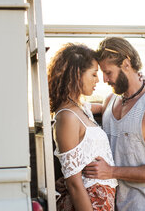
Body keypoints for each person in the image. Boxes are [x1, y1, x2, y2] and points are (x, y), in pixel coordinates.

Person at [83, 37, 145, 211]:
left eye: (108, 72)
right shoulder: (110, 101)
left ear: (126, 63)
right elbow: (94, 111)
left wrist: (111, 172)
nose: (104, 79)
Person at [47, 43, 118, 211]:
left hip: (101, 202)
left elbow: (105, 107)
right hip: (88, 203)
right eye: (93, 74)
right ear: (77, 75)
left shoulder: (81, 109)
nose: (98, 79)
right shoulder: (67, 117)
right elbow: (73, 184)